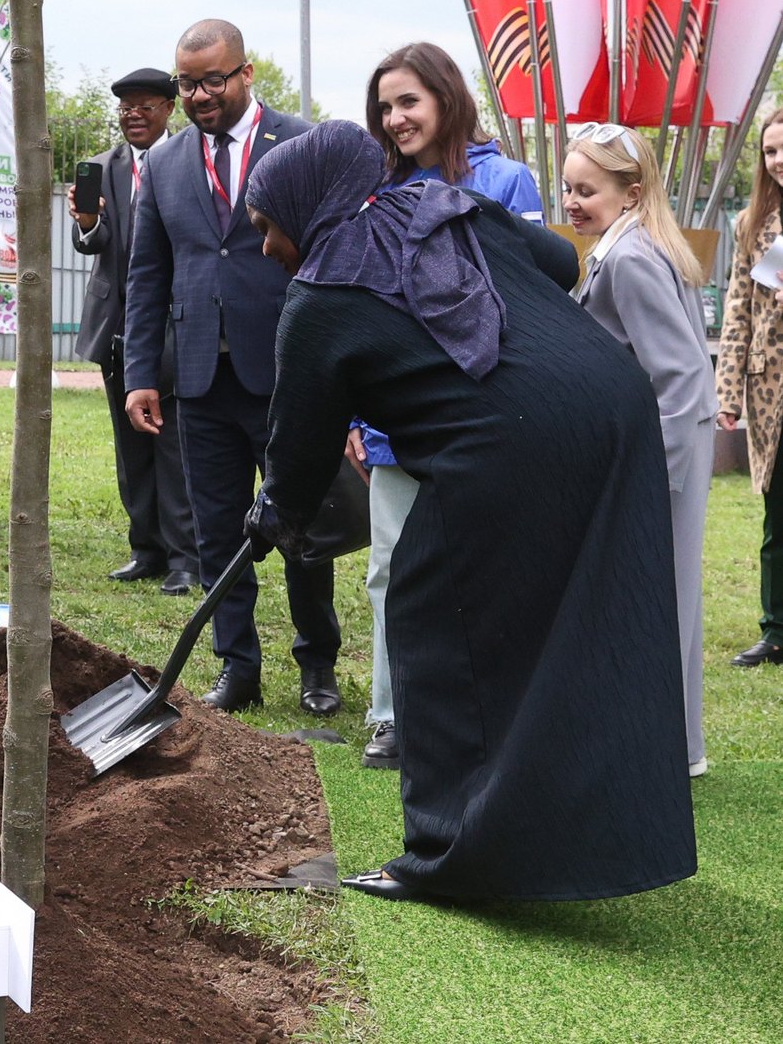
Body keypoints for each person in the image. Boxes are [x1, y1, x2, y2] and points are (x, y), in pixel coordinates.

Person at [243, 119, 696, 903]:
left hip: (515, 443)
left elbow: (299, 443)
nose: (265, 247)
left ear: (302, 206)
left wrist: (273, 513)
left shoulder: (319, 296)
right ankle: (598, 836)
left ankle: (450, 859)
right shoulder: (445, 205)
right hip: (613, 405)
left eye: (265, 226)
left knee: (431, 614)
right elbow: (556, 262)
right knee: (579, 617)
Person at [122, 19, 339, 715]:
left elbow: (335, 258)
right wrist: (139, 375)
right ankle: (236, 667)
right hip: (198, 378)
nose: (199, 95)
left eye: (213, 79)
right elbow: (146, 275)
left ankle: (317, 667)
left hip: (288, 371)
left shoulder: (304, 143)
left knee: (302, 527)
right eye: (187, 83)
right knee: (216, 528)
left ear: (247, 74)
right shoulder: (163, 162)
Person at [355, 42, 545, 769]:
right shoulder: (374, 188)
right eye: (385, 107)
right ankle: (393, 716)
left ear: (445, 96)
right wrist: (355, 415)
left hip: (484, 409)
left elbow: (529, 300)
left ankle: (488, 715)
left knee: (486, 568)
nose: (395, 118)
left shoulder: (506, 180)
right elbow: (360, 307)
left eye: (408, 101)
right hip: (396, 415)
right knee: (391, 570)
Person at [565, 122, 714, 779]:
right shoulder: (640, 244)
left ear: (629, 194)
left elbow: (681, 375)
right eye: (567, 187)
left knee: (655, 596)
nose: (571, 202)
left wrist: (661, 475)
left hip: (662, 455)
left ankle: (659, 750)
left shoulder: (627, 258)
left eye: (586, 190)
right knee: (669, 596)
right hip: (667, 449)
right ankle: (675, 747)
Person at [69, 68, 199, 596]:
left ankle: (185, 558)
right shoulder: (103, 168)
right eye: (125, 108)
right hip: (117, 327)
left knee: (174, 445)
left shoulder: (191, 161)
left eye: (145, 106)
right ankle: (145, 549)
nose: (133, 115)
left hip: (177, 325)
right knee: (131, 447)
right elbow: (93, 245)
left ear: (169, 109)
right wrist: (85, 224)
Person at [716, 108, 783, 670]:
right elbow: (738, 312)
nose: (778, 160)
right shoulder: (751, 223)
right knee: (776, 515)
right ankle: (775, 630)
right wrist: (728, 394)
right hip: (771, 389)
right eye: (769, 151)